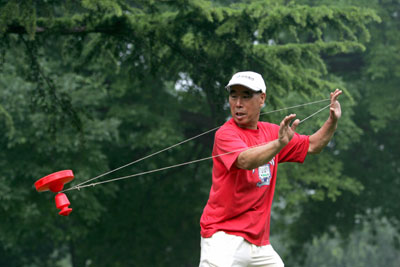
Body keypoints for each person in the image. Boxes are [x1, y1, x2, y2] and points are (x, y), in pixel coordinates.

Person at [199, 71, 342, 267]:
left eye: (246, 96)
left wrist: (332, 121)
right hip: (223, 237)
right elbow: (245, 160)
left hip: (259, 245)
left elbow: (313, 145)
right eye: (234, 95)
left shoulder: (272, 132)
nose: (238, 103)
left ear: (262, 99)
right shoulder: (225, 134)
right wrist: (278, 145)